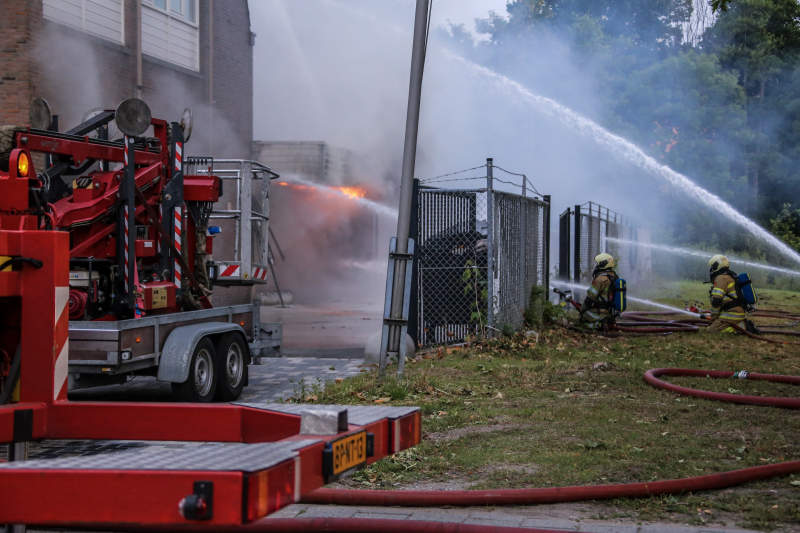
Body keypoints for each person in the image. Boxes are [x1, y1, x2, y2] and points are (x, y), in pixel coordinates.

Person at [706, 254, 746, 333]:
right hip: (736, 312)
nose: (711, 270)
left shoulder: (721, 278)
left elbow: (716, 301)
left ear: (716, 266)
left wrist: (713, 319)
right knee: (710, 328)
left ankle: (743, 328)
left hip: (732, 313)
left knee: (711, 330)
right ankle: (740, 325)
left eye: (712, 267)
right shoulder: (728, 276)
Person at [580, 253, 619, 331]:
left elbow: (590, 298)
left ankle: (599, 324)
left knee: (581, 321)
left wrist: (582, 309)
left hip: (600, 311)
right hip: (611, 313)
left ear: (603, 264)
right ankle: (608, 321)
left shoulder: (600, 279)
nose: (596, 266)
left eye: (598, 264)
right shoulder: (615, 278)